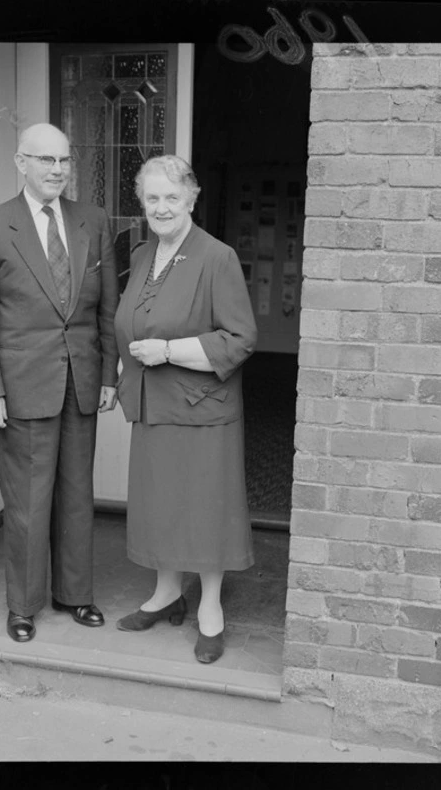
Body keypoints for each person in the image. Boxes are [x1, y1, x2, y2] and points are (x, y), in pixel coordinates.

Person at [0, 123, 119, 643]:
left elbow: (107, 307)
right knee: (28, 500)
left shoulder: (93, 221)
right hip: (20, 385)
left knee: (77, 494)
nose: (56, 170)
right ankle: (23, 604)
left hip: (82, 380)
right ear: (20, 162)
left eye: (64, 161)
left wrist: (109, 373)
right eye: (45, 160)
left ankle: (75, 593)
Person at [114, 155, 257, 664]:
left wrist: (169, 351)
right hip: (153, 405)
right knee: (160, 503)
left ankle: (211, 608)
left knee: (203, 509)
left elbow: (240, 339)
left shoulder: (216, 257)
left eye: (172, 197)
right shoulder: (139, 255)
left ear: (192, 199)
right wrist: (122, 370)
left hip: (202, 410)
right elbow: (131, 323)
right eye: (152, 198)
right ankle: (166, 592)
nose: (161, 207)